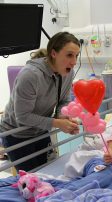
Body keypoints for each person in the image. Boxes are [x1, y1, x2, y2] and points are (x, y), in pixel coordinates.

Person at [0, 32, 81, 172]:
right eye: (69, 55)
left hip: (40, 130)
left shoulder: (67, 73)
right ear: (54, 53)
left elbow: (64, 100)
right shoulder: (30, 76)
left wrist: (62, 117)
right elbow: (23, 117)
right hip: (17, 134)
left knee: (47, 172)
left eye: (76, 56)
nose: (74, 62)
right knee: (32, 179)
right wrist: (56, 123)